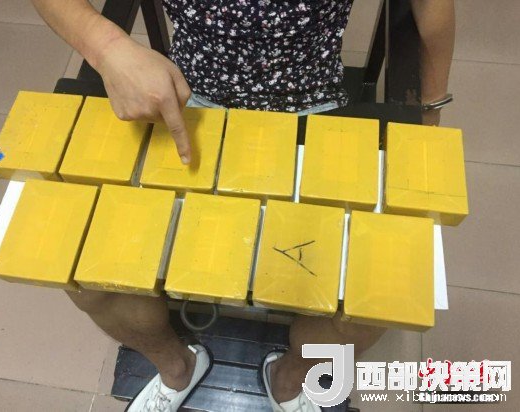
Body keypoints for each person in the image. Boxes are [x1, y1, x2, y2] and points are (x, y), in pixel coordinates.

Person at [31, 1, 455, 411]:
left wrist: (429, 110)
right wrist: (106, 47)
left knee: (381, 298)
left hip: (313, 109)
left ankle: (290, 379)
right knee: (83, 275)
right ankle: (175, 368)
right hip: (189, 99)